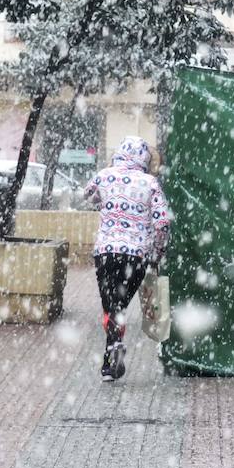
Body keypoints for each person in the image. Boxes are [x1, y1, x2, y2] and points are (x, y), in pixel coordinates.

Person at [84, 136, 170, 381]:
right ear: (144, 158)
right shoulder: (150, 182)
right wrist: (158, 251)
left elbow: (87, 195)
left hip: (106, 252)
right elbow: (162, 222)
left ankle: (112, 353)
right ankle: (112, 355)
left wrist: (108, 200)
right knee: (119, 305)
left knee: (110, 305)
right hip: (137, 255)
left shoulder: (104, 175)